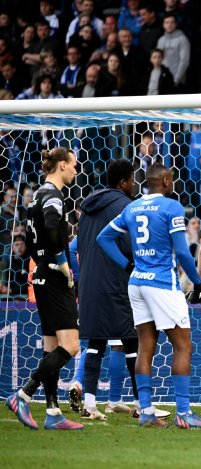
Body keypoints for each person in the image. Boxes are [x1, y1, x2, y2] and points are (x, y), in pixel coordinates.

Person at [96, 163, 201, 429]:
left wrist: (127, 265)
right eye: (171, 179)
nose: (173, 183)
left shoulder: (133, 207)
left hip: (137, 282)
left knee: (145, 346)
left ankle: (147, 411)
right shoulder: (171, 207)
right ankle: (184, 412)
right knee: (183, 346)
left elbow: (103, 238)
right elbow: (183, 253)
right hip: (162, 283)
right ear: (163, 180)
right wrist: (198, 282)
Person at [5, 147, 84, 430]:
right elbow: (51, 226)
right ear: (62, 165)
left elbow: (29, 236)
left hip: (40, 274)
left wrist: (42, 262)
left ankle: (53, 413)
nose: (77, 170)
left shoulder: (36, 194)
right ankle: (23, 394)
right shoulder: (54, 196)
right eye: (74, 165)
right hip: (53, 276)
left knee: (51, 347)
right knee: (71, 346)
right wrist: (63, 263)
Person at [76, 159, 140, 420]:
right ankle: (141, 404)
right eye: (132, 179)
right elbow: (130, 244)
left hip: (89, 283)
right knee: (132, 341)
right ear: (123, 182)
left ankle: (90, 405)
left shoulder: (87, 205)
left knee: (95, 343)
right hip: (116, 282)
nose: (134, 184)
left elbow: (78, 244)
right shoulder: (126, 206)